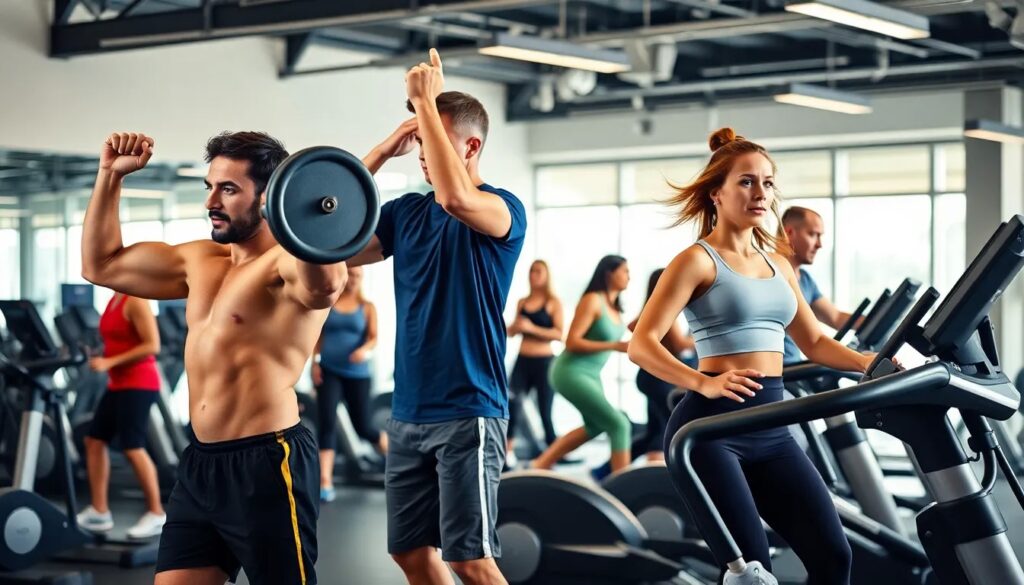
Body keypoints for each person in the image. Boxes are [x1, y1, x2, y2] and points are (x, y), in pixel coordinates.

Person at [82, 130, 344, 585]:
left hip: (268, 463)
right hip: (201, 464)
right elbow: (100, 266)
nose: (211, 202)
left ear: (268, 196)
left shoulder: (284, 264)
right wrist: (109, 176)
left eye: (228, 189)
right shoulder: (199, 260)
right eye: (209, 187)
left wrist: (310, 213)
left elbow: (322, 287)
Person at [629, 128, 876, 585]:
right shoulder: (696, 261)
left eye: (767, 182)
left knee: (833, 556)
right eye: (746, 181)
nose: (760, 193)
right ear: (716, 193)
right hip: (711, 430)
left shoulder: (778, 263)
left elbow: (814, 342)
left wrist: (869, 363)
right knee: (753, 574)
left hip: (773, 429)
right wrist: (702, 382)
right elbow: (642, 343)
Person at [347, 49, 526, 585]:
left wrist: (426, 100)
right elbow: (328, 243)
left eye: (434, 141)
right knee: (409, 552)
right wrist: (381, 151)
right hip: (407, 411)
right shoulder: (405, 214)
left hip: (468, 409)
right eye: (419, 143)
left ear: (471, 146)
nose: (422, 153)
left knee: (469, 560)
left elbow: (454, 196)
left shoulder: (502, 208)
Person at [528, 255, 632, 474]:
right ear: (609, 273)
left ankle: (539, 465)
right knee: (619, 424)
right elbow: (572, 341)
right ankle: (626, 489)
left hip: (591, 374)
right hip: (570, 371)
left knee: (595, 426)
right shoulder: (593, 300)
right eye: (624, 271)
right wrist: (614, 345)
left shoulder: (616, 309)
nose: (629, 277)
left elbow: (631, 329)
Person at [76, 292, 166, 539]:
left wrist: (110, 362)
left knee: (132, 446)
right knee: (94, 440)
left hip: (139, 382)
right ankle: (99, 510)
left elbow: (152, 345)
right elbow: (118, 339)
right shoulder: (114, 299)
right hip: (118, 383)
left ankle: (157, 513)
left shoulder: (136, 300)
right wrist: (101, 356)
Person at [311, 265, 382, 502]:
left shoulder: (367, 307)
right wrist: (315, 363)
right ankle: (325, 481)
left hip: (357, 373)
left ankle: (399, 467)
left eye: (358, 276)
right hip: (329, 371)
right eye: (350, 274)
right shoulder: (328, 304)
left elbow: (373, 338)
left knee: (363, 426)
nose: (353, 279)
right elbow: (317, 336)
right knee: (327, 423)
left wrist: (363, 350)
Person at [781, 206, 861, 364]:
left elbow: (835, 317)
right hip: (785, 373)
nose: (819, 244)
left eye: (820, 236)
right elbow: (813, 342)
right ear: (789, 233)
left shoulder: (805, 279)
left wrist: (882, 321)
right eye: (812, 234)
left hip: (798, 372)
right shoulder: (772, 274)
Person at [505, 260, 563, 465]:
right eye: (531, 271)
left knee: (545, 410)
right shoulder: (522, 302)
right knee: (512, 404)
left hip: (544, 362)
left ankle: (554, 454)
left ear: (546, 275)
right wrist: (513, 327)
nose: (534, 275)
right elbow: (511, 332)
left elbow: (559, 334)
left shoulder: (553, 302)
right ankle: (507, 454)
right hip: (523, 361)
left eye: (538, 271)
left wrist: (531, 328)